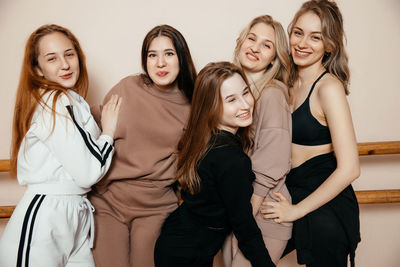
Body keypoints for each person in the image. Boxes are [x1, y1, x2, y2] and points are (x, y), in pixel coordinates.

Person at [0, 24, 121, 267]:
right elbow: (88, 172)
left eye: (69, 54)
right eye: (52, 58)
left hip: (75, 214)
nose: (64, 65)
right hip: (45, 216)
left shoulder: (73, 101)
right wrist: (108, 132)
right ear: (38, 69)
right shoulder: (55, 100)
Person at [261, 1, 361, 266]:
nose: (303, 43)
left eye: (315, 37)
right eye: (298, 32)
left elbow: (350, 168)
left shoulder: (328, 88)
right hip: (290, 189)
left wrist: (295, 211)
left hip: (324, 202)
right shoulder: (285, 81)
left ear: (329, 45)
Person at [88, 24, 197, 267]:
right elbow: (90, 122)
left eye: (169, 54)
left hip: (155, 207)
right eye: (152, 55)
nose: (160, 63)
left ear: (181, 57)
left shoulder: (194, 106)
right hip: (108, 202)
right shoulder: (127, 87)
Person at [154, 62, 275, 267]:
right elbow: (244, 226)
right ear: (211, 107)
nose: (245, 105)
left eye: (245, 93)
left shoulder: (203, 140)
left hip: (177, 242)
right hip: (187, 255)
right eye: (231, 100)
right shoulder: (231, 158)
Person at [222, 15, 292, 266]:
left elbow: (272, 161)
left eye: (266, 45)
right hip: (239, 208)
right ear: (241, 42)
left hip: (262, 211)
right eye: (252, 39)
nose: (255, 47)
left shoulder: (272, 94)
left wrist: (245, 218)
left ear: (274, 57)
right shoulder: (234, 93)